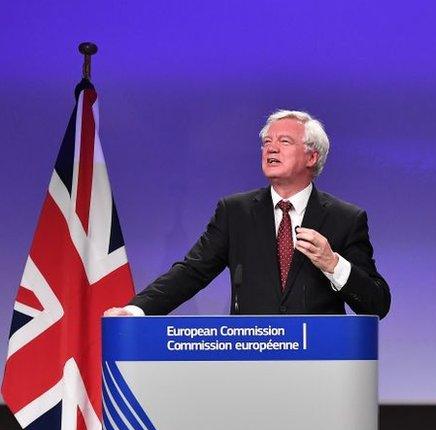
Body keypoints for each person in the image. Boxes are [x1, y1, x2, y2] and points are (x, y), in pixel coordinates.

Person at [105, 110, 391, 318]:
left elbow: (377, 303)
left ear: (312, 157)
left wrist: (332, 263)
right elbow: (191, 272)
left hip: (321, 365)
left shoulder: (345, 218)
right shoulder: (236, 213)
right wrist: (137, 309)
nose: (271, 148)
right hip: (251, 364)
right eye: (267, 142)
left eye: (285, 142)